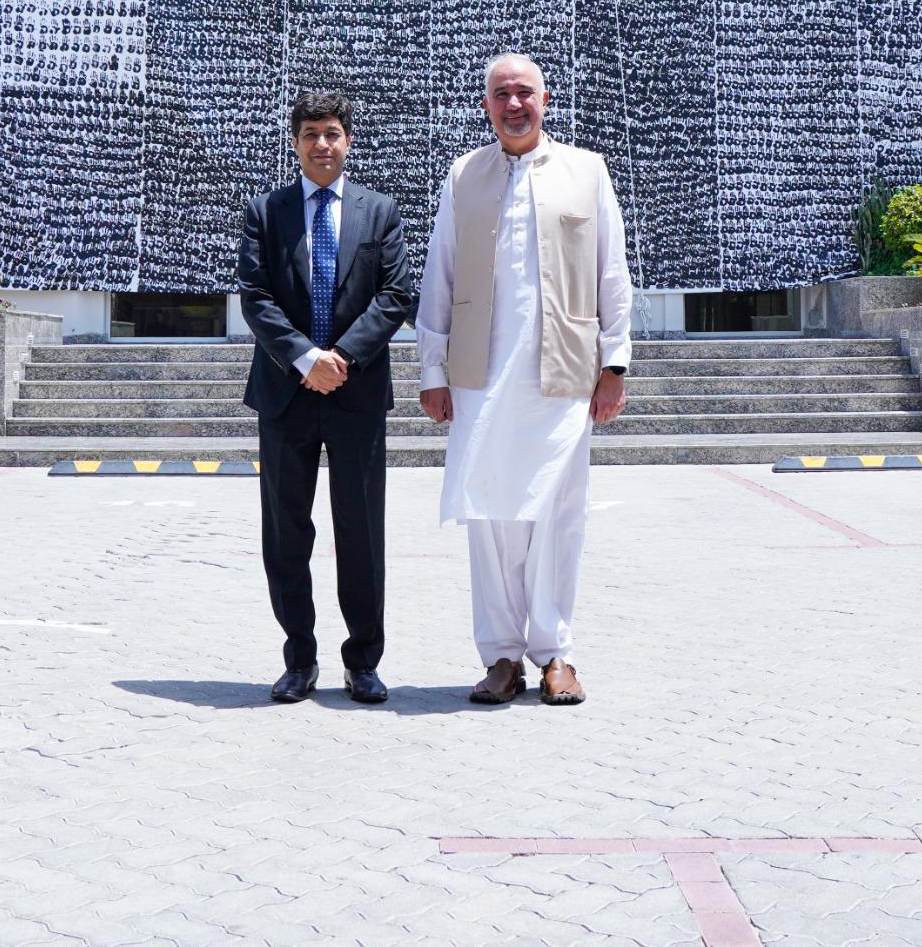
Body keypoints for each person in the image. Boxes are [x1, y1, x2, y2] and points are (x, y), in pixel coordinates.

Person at [416, 53, 631, 707]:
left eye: (524, 93)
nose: (514, 104)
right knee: (490, 518)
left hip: (562, 374)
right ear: (486, 104)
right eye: (501, 94)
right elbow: (439, 275)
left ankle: (556, 653)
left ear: (546, 99)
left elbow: (612, 272)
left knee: (557, 515)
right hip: (478, 379)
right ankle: (502, 655)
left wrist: (614, 365)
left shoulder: (586, 171)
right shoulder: (463, 175)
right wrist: (432, 370)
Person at [237, 89, 415, 705]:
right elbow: (255, 296)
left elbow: (395, 295)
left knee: (360, 532)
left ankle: (363, 661)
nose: (321, 144)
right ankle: (299, 659)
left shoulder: (379, 212)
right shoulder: (266, 211)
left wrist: (342, 358)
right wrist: (306, 359)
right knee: (286, 533)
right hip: (286, 394)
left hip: (355, 393)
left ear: (348, 141)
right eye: (310, 133)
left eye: (332, 133)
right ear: (295, 143)